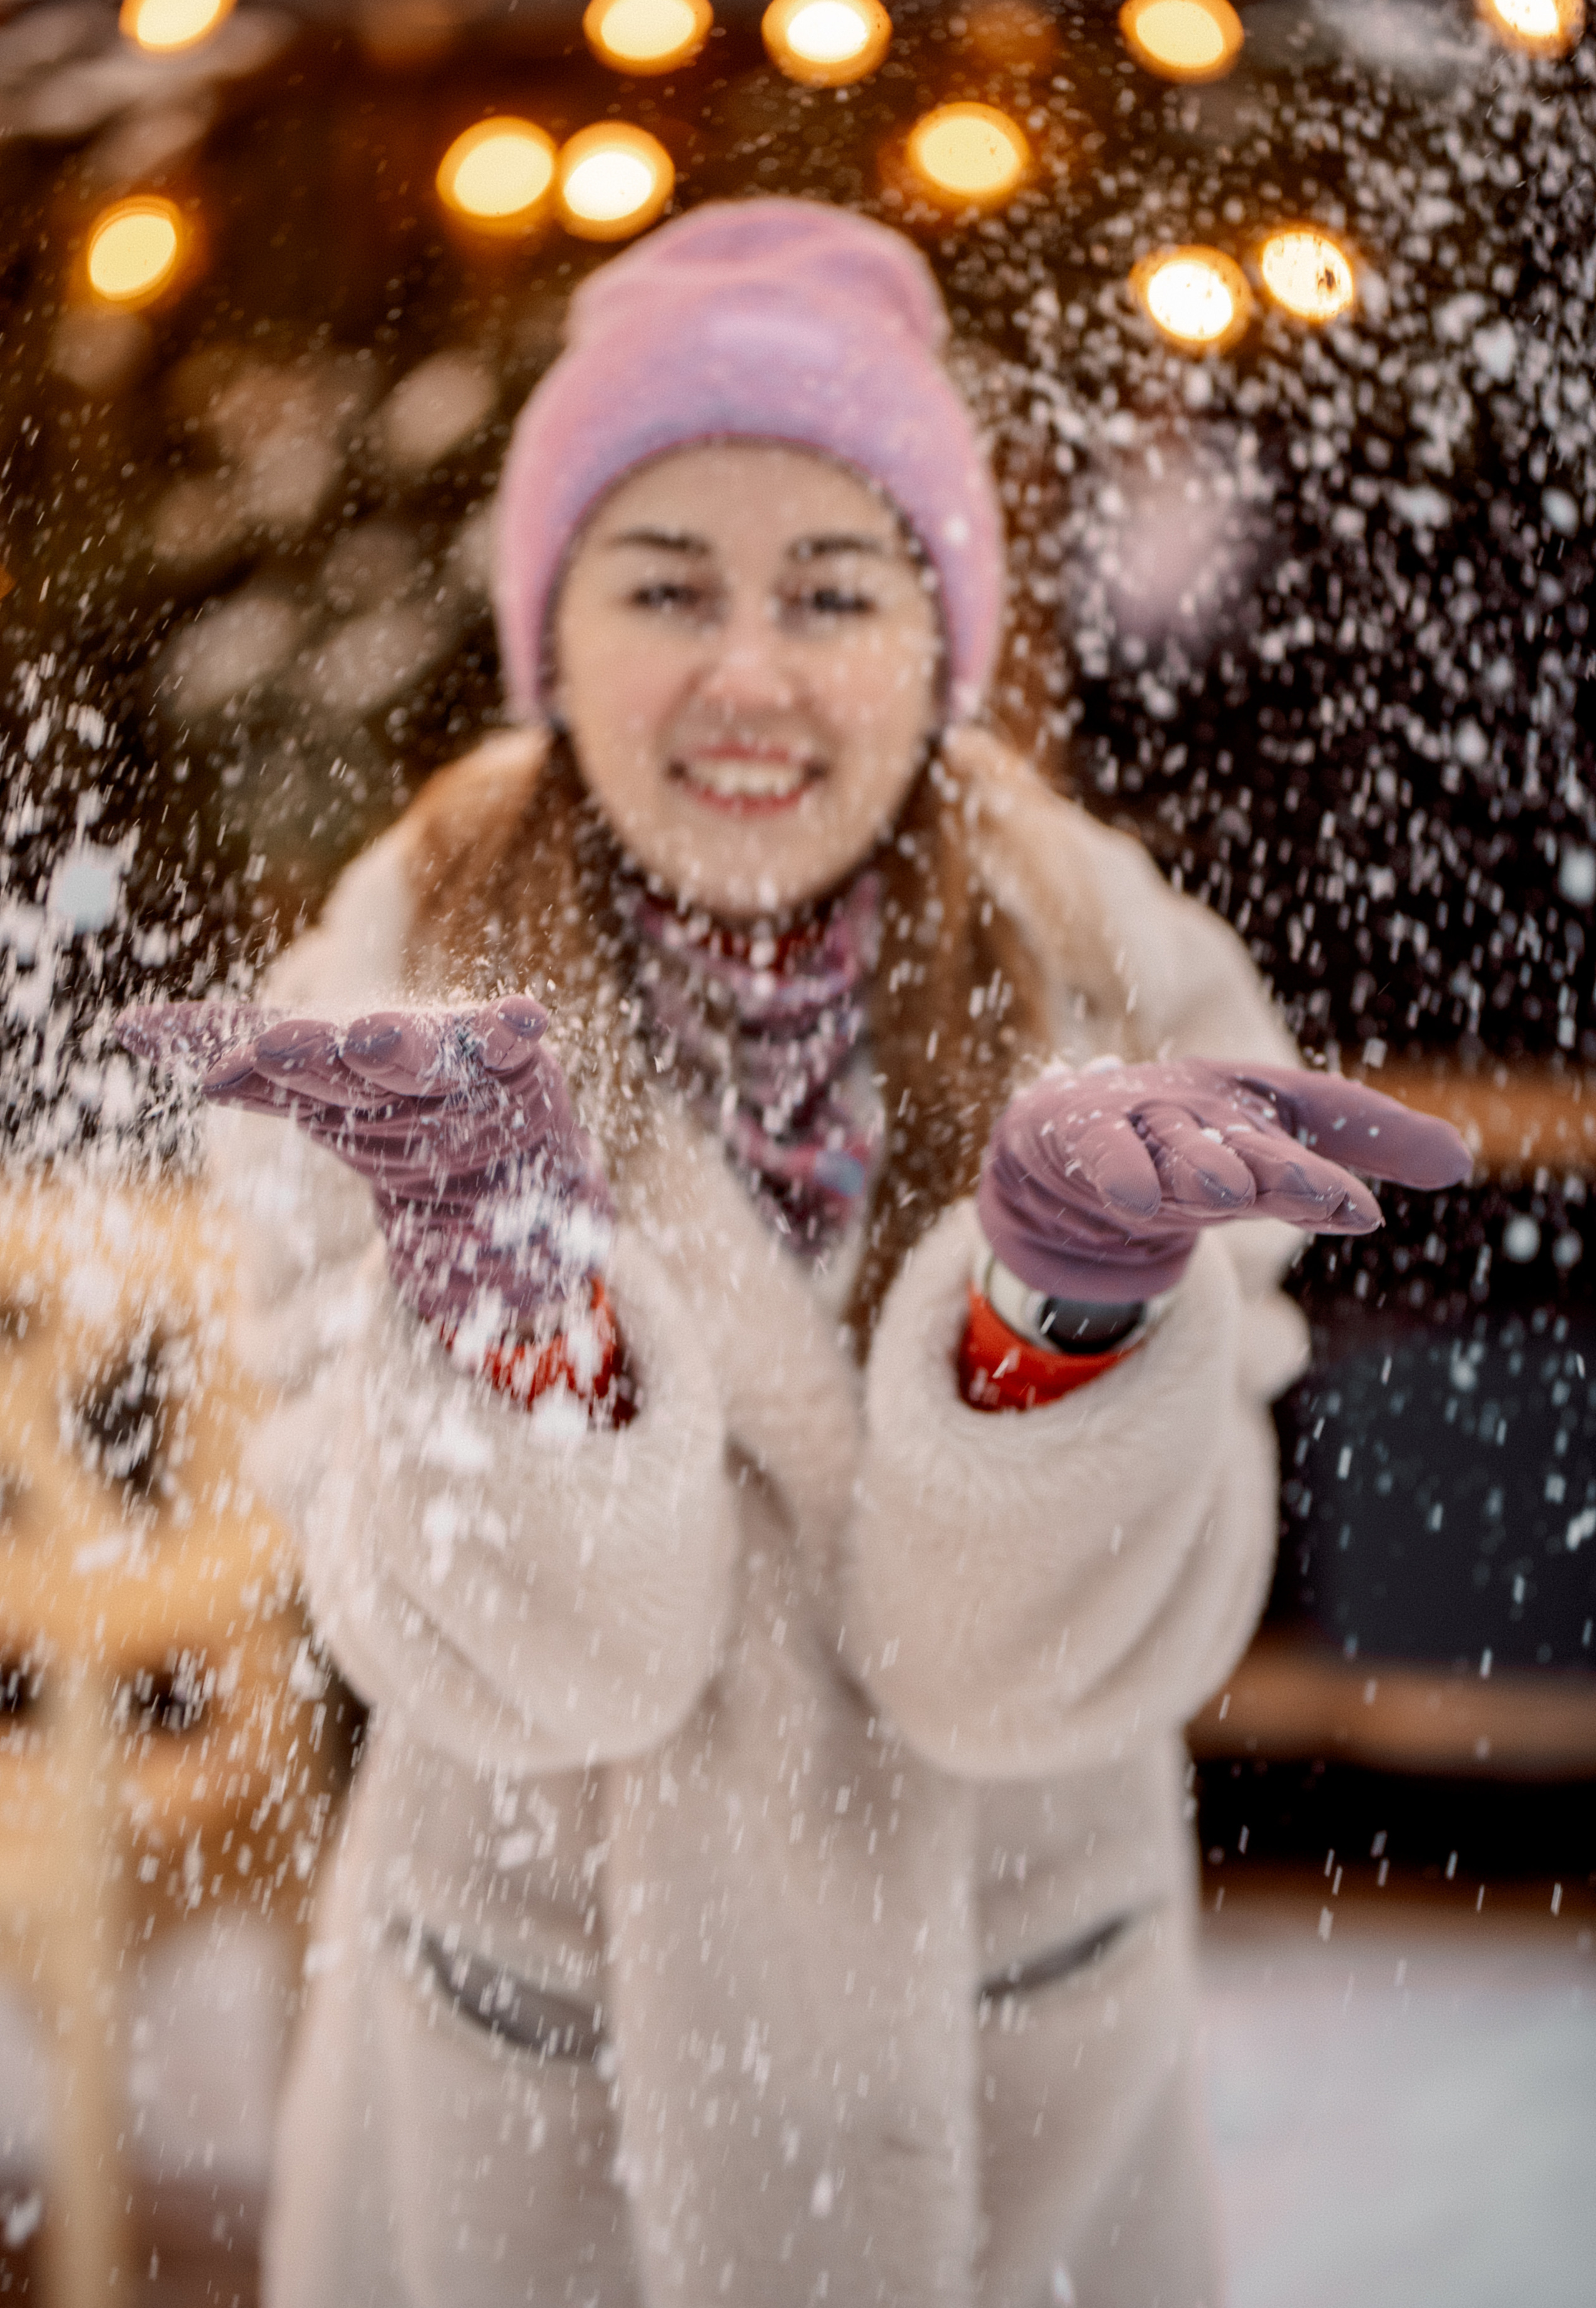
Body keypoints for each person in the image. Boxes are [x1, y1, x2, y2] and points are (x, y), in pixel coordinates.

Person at [120, 198, 1468, 2308]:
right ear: (551, 638)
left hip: (1015, 2070)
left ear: (939, 643)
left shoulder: (1118, 974)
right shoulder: (390, 995)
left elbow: (1068, 1666)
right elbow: (502, 1661)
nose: (748, 672)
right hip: (531, 2103)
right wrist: (517, 1308)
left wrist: (1061, 1319)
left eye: (834, 590)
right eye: (666, 585)